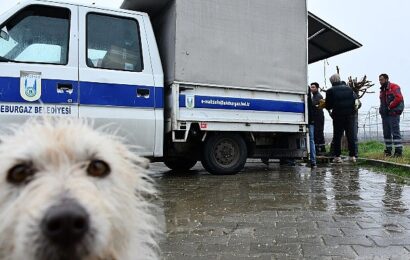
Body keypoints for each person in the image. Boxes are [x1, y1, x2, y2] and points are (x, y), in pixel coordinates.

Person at [325, 74, 357, 163]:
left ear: (331, 82)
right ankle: (352, 156)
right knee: (350, 135)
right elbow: (355, 100)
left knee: (337, 136)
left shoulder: (330, 91)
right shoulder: (349, 89)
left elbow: (328, 105)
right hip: (350, 115)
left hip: (338, 116)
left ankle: (337, 157)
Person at [379, 73, 404, 157]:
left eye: (381, 79)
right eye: (379, 80)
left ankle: (398, 152)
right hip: (385, 115)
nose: (380, 81)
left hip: (393, 114)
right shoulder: (382, 90)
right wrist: (381, 110)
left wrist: (390, 106)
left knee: (395, 133)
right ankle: (388, 151)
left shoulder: (394, 87)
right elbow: (382, 102)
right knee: (386, 133)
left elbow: (399, 98)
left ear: (386, 79)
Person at [310, 82, 326, 155]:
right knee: (316, 134)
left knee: (319, 133)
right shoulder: (314, 96)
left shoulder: (318, 96)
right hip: (316, 117)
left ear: (317, 88)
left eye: (313, 87)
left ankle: (321, 150)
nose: (311, 88)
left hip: (319, 117)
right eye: (311, 87)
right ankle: (318, 150)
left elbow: (313, 105)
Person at [307, 86, 317, 168]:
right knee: (311, 139)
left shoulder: (317, 97)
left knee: (311, 139)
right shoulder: (309, 94)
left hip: (309, 119)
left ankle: (313, 160)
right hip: (310, 119)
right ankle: (313, 161)